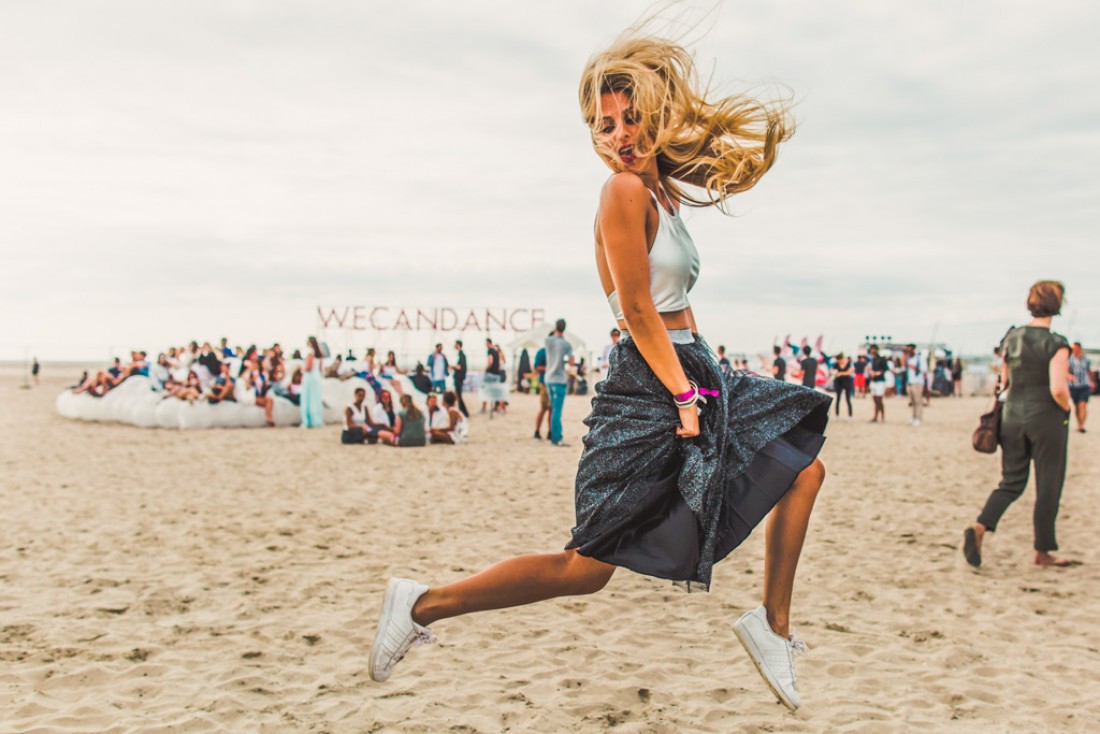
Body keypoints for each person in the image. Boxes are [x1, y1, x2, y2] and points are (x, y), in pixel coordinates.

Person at [368, 31, 829, 712]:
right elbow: (638, 306)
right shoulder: (621, 192)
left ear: (655, 114)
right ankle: (423, 604)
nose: (619, 136)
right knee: (586, 567)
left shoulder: (659, 188)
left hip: (693, 367)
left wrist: (695, 382)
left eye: (630, 118)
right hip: (651, 382)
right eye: (604, 125)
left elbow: (674, 277)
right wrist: (682, 396)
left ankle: (772, 624)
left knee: (803, 463)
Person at [964, 281, 1075, 569]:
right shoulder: (1056, 343)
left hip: (1012, 415)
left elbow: (1005, 381)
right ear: (1058, 304)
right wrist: (1067, 409)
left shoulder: (1012, 339)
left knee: (1011, 481)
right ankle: (1043, 551)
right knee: (1048, 483)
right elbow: (1058, 389)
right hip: (1047, 418)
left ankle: (980, 527)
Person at [544, 318, 574, 446]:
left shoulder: (548, 340)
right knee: (557, 411)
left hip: (549, 378)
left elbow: (550, 335)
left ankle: (552, 433)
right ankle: (556, 438)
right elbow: (571, 361)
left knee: (553, 409)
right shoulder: (566, 344)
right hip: (559, 379)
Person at [300, 336, 325, 428]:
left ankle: (307, 420)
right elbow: (320, 368)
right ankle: (316, 419)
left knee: (308, 397)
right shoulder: (320, 354)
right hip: (317, 376)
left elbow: (309, 367)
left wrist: (302, 368)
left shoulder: (310, 352)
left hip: (310, 377)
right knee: (315, 398)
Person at [1068, 341, 1092, 433]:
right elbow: (1067, 370)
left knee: (1083, 404)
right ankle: (1079, 423)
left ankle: (1082, 425)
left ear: (1079, 348)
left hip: (1084, 385)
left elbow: (1089, 370)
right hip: (1073, 386)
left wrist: (1092, 382)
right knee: (1076, 406)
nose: (1073, 350)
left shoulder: (1086, 358)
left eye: (1075, 348)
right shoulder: (1070, 359)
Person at [533, 341, 551, 439]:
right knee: (543, 408)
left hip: (552, 383)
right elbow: (536, 367)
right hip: (544, 382)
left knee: (552, 409)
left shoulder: (554, 351)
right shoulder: (542, 351)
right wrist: (549, 368)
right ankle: (537, 431)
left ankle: (550, 432)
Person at [904, 344, 925, 426]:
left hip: (918, 382)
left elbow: (924, 369)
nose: (908, 351)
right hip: (910, 382)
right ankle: (914, 417)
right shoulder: (908, 359)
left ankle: (918, 418)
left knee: (918, 401)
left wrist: (912, 367)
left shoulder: (920, 358)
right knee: (912, 402)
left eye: (909, 349)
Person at [831, 352, 854, 421]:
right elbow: (832, 370)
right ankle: (837, 415)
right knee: (838, 399)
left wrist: (840, 373)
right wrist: (834, 373)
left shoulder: (849, 363)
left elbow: (849, 372)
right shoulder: (836, 364)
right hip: (839, 382)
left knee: (848, 399)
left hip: (847, 382)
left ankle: (850, 415)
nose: (838, 361)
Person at [868, 345, 888, 422]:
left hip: (880, 381)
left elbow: (885, 369)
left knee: (879, 399)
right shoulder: (872, 359)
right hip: (874, 380)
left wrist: (878, 373)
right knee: (875, 399)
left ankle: (882, 416)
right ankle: (875, 416)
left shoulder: (881, 359)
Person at [452, 341, 469, 417]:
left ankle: (464, 412)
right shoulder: (461, 355)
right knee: (458, 396)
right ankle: (463, 412)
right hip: (459, 378)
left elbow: (460, 367)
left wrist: (452, 366)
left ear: (458, 345)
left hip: (459, 378)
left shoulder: (462, 355)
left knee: (459, 396)